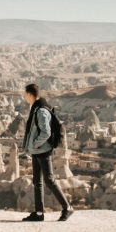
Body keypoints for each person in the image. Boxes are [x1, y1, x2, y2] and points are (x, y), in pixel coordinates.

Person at [21, 83, 73, 222]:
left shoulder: (41, 110)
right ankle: (39, 213)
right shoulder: (36, 108)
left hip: (42, 151)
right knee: (37, 181)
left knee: (49, 180)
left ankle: (67, 207)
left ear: (30, 94)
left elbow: (46, 132)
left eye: (25, 94)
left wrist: (34, 144)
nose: (24, 97)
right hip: (37, 151)